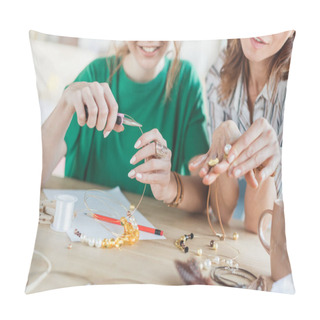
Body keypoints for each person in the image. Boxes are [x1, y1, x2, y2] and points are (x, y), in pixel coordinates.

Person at [152, 31, 295, 234]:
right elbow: (221, 214)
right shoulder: (220, 72)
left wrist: (266, 166)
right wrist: (225, 134)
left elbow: (259, 226)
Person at [41, 41, 209, 200]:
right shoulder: (95, 76)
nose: (150, 38)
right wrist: (64, 105)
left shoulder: (187, 84)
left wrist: (169, 186)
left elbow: (205, 194)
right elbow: (34, 175)